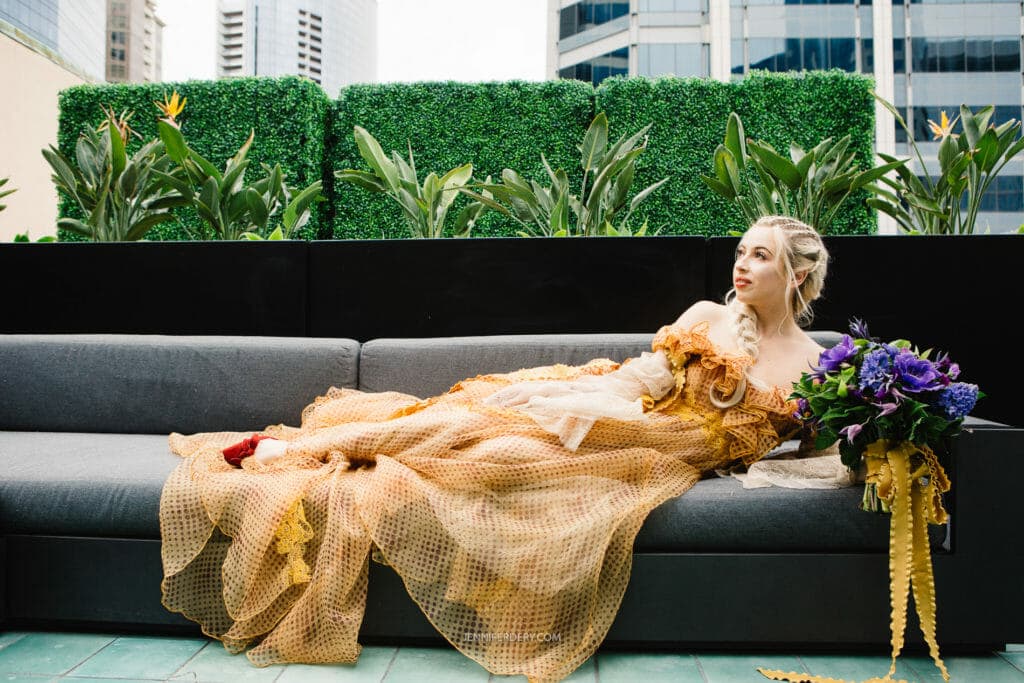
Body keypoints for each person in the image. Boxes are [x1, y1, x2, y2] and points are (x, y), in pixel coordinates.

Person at [159, 214, 841, 683]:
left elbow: (823, 454)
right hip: (615, 411)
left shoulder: (818, 368)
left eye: (761, 255)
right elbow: (640, 380)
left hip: (657, 457)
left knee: (494, 460)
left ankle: (336, 454)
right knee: (469, 422)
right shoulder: (707, 317)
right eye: (742, 250)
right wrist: (568, 403)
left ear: (800, 277)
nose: (742, 263)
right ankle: (296, 450)